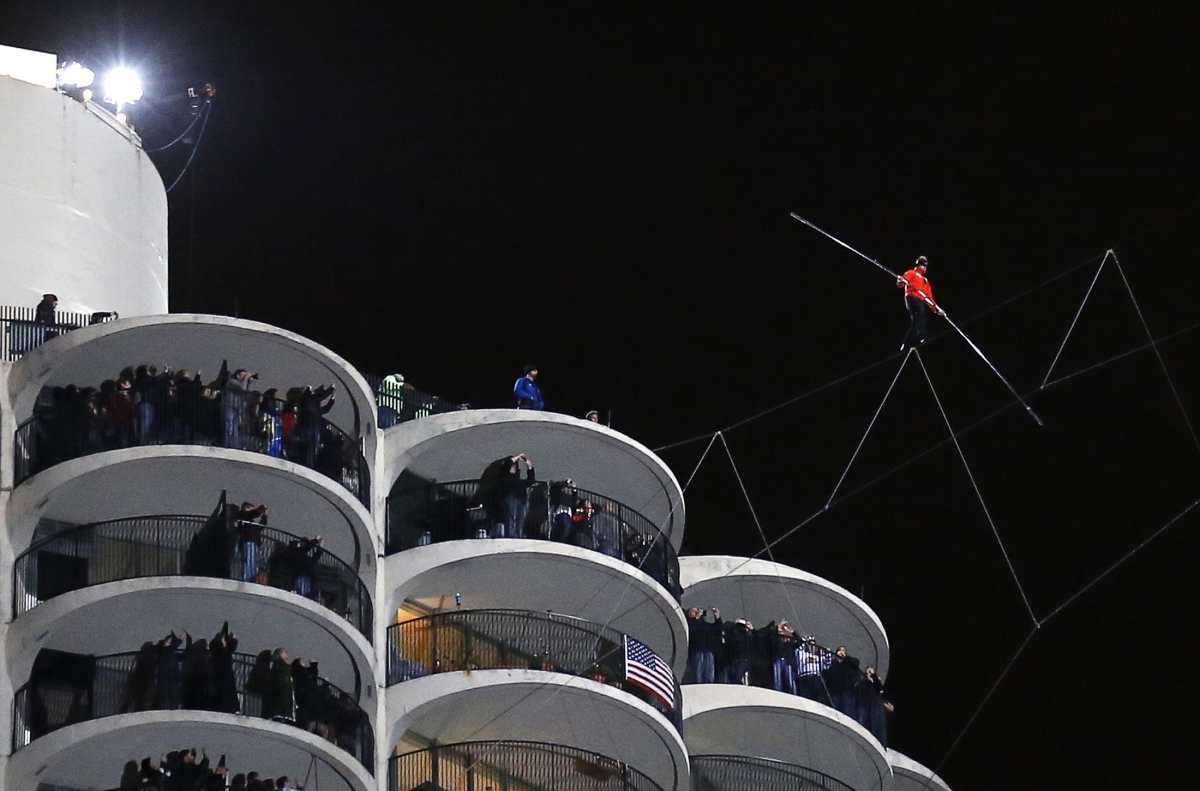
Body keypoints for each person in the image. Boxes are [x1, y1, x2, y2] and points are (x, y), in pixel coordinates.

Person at [896, 255, 944, 352]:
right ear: (920, 266)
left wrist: (936, 309)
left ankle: (905, 344)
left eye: (925, 266)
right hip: (911, 297)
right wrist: (900, 280)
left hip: (919, 299)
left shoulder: (925, 281)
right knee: (920, 316)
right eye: (923, 266)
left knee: (915, 322)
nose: (925, 268)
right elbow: (901, 283)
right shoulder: (911, 273)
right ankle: (923, 337)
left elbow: (929, 297)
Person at [684, 607, 722, 684]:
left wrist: (717, 618)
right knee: (698, 672)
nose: (696, 612)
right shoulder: (689, 623)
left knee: (709, 672)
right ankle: (698, 684)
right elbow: (691, 629)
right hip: (697, 650)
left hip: (708, 649)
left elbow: (717, 629)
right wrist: (696, 618)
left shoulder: (705, 625)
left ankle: (709, 684)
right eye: (693, 611)